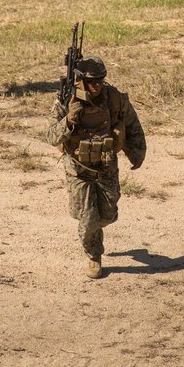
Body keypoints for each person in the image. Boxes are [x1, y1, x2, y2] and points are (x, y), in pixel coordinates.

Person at [45, 56, 147, 279]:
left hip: (106, 165)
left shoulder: (114, 99)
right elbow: (51, 137)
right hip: (78, 168)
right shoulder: (67, 100)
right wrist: (69, 121)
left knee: (107, 215)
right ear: (80, 80)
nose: (97, 86)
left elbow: (132, 124)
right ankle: (94, 255)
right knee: (88, 217)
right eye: (93, 82)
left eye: (101, 80)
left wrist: (137, 153)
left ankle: (92, 228)